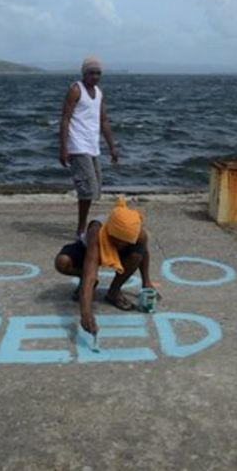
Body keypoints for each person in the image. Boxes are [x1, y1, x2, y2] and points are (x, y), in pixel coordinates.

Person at [54, 198, 158, 335]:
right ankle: (82, 279)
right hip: (88, 248)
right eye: (117, 242)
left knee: (136, 256)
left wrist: (146, 282)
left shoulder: (138, 233)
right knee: (62, 262)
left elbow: (143, 253)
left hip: (123, 252)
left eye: (125, 243)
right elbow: (90, 274)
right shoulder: (96, 231)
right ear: (110, 233)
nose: (121, 246)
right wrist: (86, 313)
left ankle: (114, 292)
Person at [59, 56, 119, 240]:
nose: (95, 76)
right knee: (87, 189)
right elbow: (65, 118)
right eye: (91, 73)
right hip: (78, 145)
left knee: (94, 189)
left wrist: (112, 146)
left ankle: (83, 227)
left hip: (93, 146)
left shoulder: (99, 93)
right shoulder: (76, 90)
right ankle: (81, 230)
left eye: (98, 73)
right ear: (84, 73)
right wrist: (63, 147)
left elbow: (103, 120)